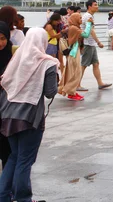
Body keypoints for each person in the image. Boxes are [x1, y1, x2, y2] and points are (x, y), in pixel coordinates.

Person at [0, 28, 58, 202]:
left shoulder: (17, 59)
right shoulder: (47, 63)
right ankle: (23, 198)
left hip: (8, 116)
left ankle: (3, 196)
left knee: (14, 156)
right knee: (25, 160)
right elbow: (50, 92)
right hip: (29, 117)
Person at [59, 13, 92, 101]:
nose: (81, 19)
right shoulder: (74, 28)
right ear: (75, 19)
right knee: (75, 73)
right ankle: (71, 92)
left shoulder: (74, 27)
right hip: (73, 53)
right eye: (79, 18)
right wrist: (88, 24)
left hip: (74, 52)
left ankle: (70, 90)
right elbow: (86, 34)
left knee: (72, 72)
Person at [79, 0, 111, 91]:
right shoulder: (88, 16)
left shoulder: (90, 16)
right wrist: (98, 42)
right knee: (83, 65)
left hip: (90, 43)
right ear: (89, 6)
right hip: (87, 43)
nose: (97, 6)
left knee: (96, 63)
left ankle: (100, 83)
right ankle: (77, 84)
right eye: (95, 5)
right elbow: (91, 31)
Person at [0, 22, 14, 169]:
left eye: (3, 38)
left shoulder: (13, 53)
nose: (1, 43)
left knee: (6, 142)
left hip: (7, 105)